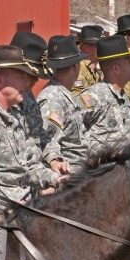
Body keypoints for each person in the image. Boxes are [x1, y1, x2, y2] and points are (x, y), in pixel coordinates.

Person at [0, 45, 65, 202]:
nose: (26, 83)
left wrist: (56, 179)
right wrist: (9, 204)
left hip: (24, 207)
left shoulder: (15, 115)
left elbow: (28, 169)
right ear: (0, 81)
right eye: (21, 77)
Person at [10, 31, 71, 180]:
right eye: (31, 75)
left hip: (36, 182)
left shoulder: (28, 96)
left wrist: (53, 159)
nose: (35, 81)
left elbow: (40, 134)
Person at [81, 35, 130, 160]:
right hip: (101, 173)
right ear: (116, 68)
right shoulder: (92, 97)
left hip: (125, 172)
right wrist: (104, 152)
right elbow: (73, 133)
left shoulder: (125, 98)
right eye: (128, 60)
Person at [37, 35, 90, 173]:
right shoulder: (53, 99)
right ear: (74, 66)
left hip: (80, 173)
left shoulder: (63, 95)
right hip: (68, 177)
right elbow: (47, 143)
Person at [72, 25, 105, 94]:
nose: (104, 48)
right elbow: (80, 100)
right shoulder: (78, 72)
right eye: (100, 45)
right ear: (86, 48)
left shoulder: (95, 72)